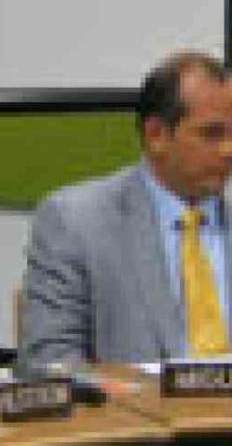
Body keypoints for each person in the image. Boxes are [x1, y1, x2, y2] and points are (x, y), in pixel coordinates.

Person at [20, 51, 232, 369]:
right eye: (212, 134)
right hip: (137, 415)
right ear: (156, 135)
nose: (228, 150)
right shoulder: (76, 221)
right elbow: (48, 359)